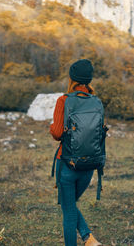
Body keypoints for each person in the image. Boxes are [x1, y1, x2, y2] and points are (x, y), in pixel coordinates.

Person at [50, 59, 102, 246]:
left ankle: (88, 238)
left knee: (68, 209)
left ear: (72, 78)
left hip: (67, 164)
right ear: (89, 79)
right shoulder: (96, 102)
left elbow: (56, 133)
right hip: (89, 166)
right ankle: (89, 238)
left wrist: (53, 127)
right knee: (69, 204)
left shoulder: (64, 100)